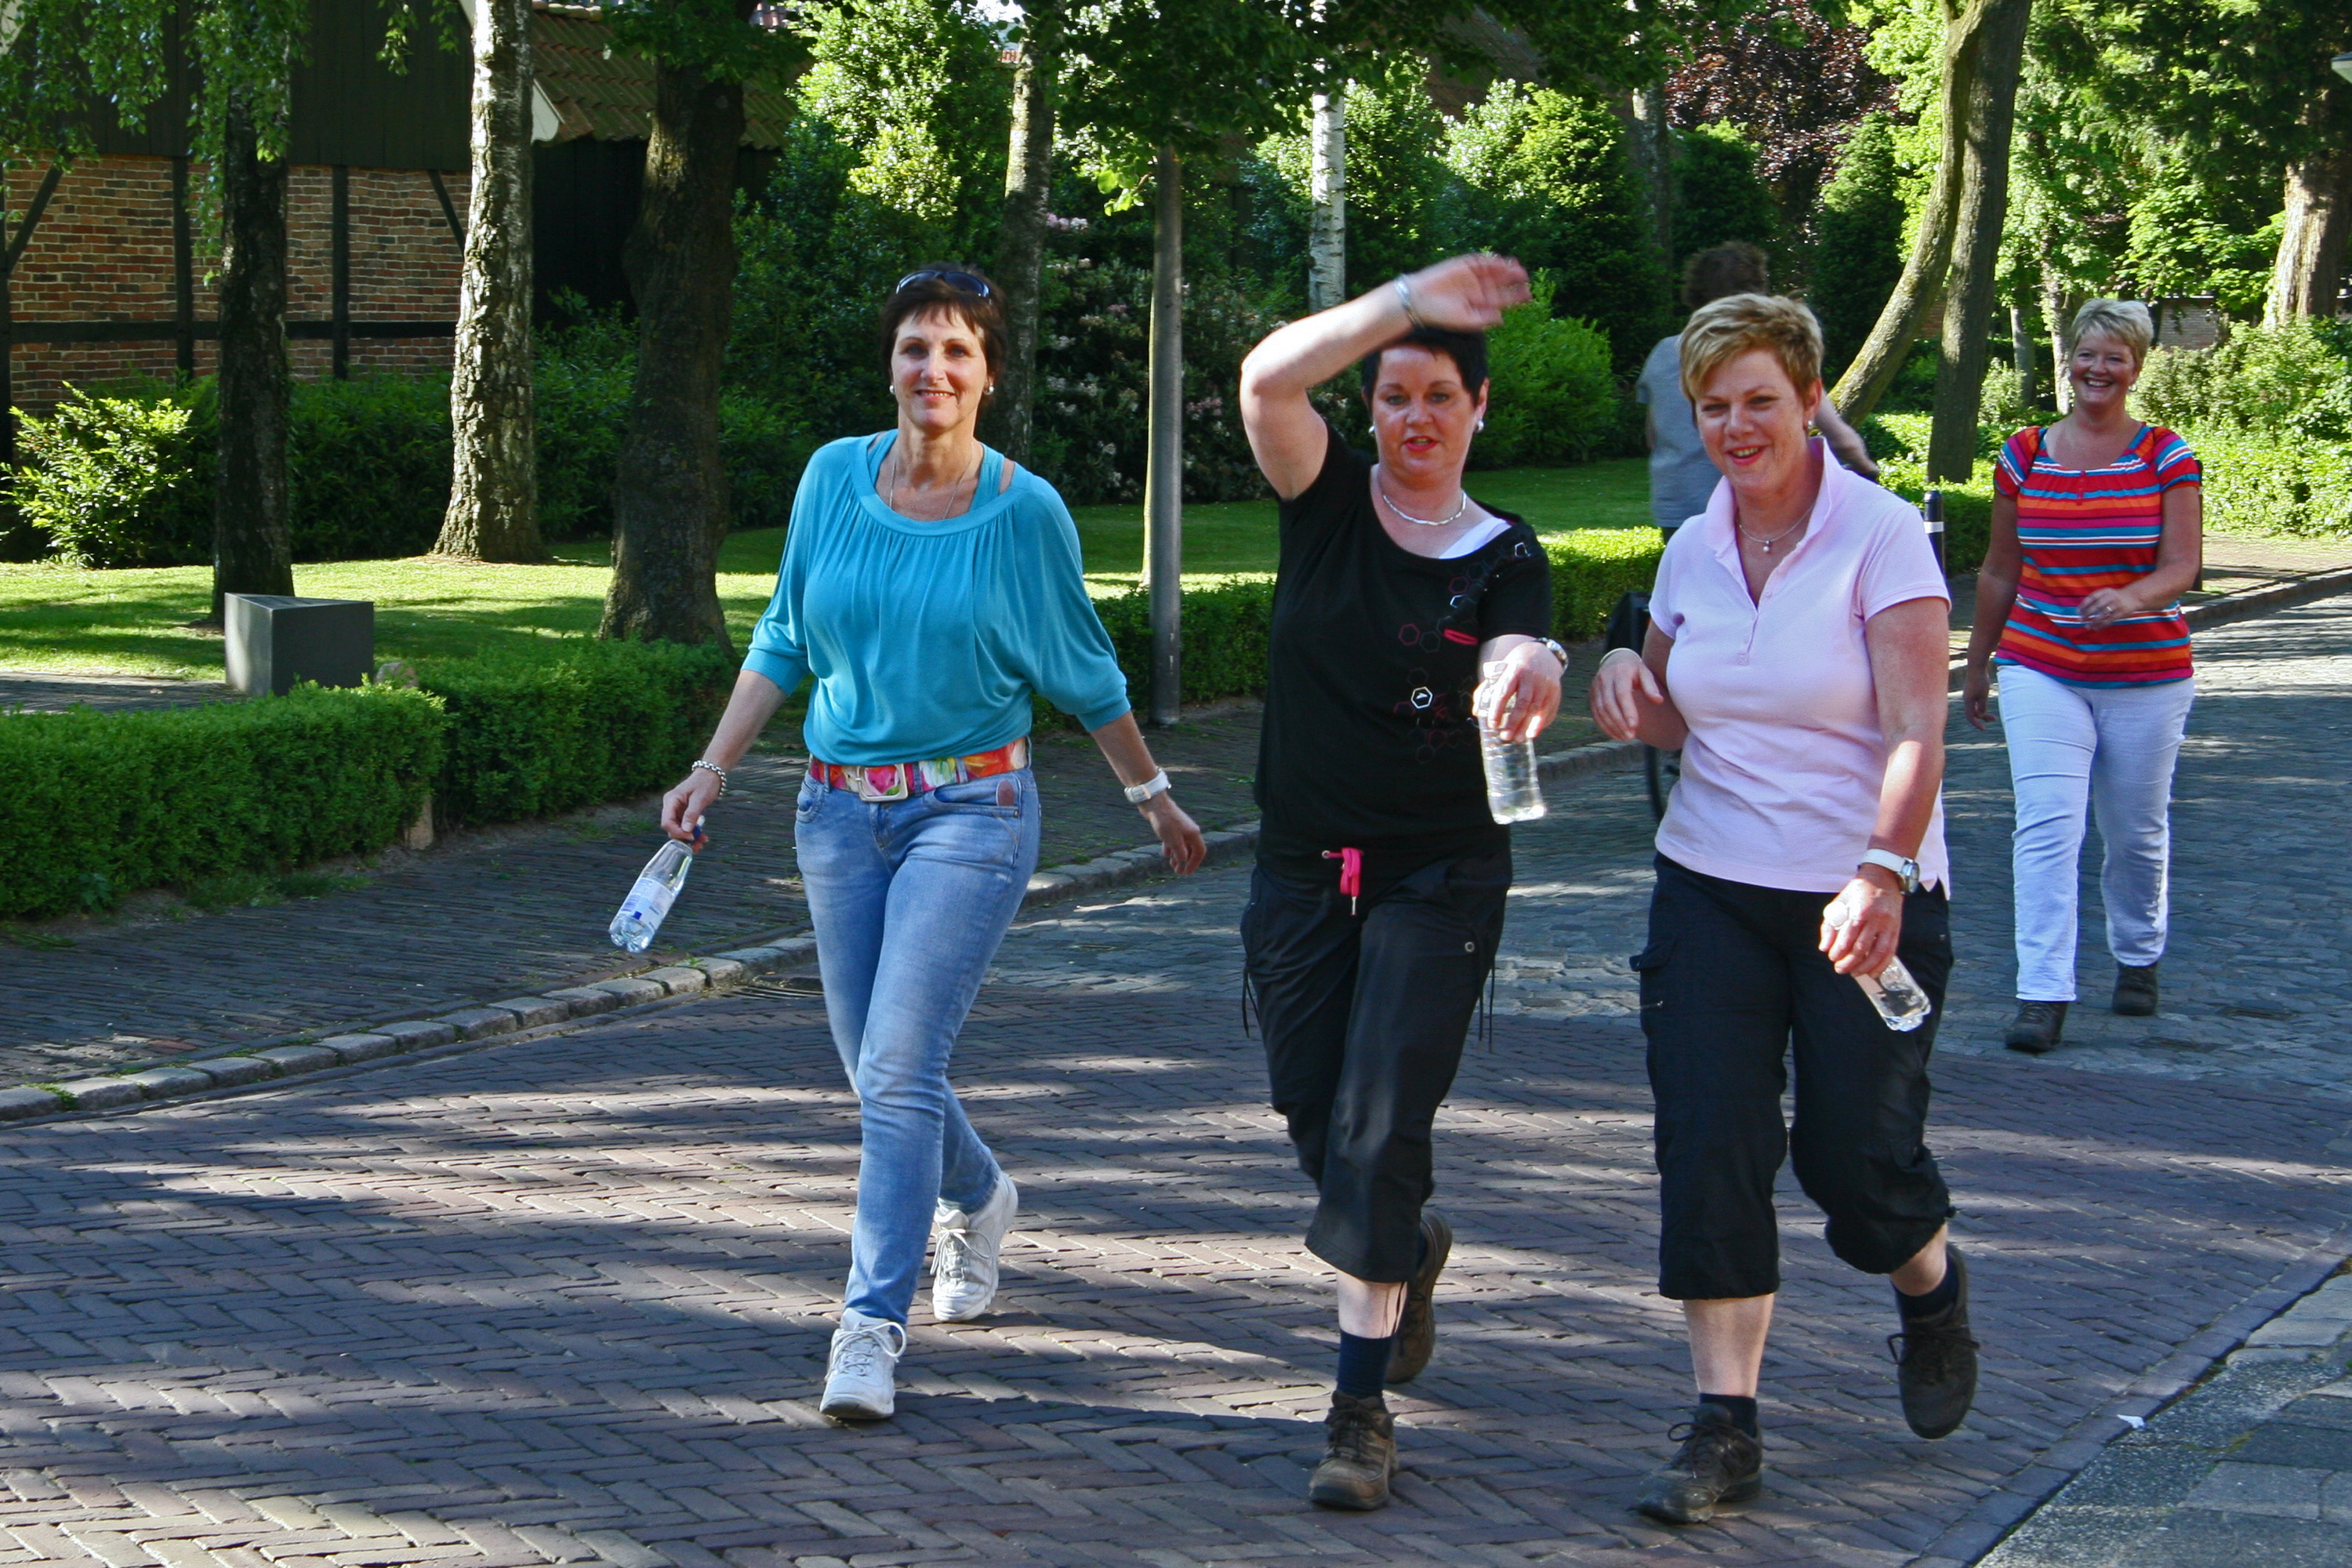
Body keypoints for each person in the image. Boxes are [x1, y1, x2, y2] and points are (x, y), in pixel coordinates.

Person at [659, 263, 1207, 1422]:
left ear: (988, 375)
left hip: (973, 812)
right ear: (891, 365)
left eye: (959, 350)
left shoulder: (1025, 512)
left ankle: (868, 1325)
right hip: (835, 813)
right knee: (876, 1068)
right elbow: (785, 634)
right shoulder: (831, 477)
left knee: (898, 1069)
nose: (935, 369)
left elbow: (1085, 672)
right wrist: (712, 766)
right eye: (916, 347)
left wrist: (1153, 796)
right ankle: (981, 1192)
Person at [1589, 292, 1978, 1526]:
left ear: (1811, 400)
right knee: (1710, 1142)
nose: (1737, 427)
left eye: (1760, 400)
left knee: (1854, 1161)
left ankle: (1930, 1288)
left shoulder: (1882, 536)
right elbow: (1673, 712)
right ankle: (1725, 1426)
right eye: (1714, 407)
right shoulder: (1694, 545)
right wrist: (1620, 673)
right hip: (1712, 884)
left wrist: (1880, 870)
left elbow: (1917, 733)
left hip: (1865, 894)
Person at [1236, 253, 1565, 1512]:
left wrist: (1527, 668)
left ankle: (1357, 1411)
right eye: (1394, 396)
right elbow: (1267, 379)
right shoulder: (1322, 499)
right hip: (1303, 869)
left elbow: (1524, 638)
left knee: (1378, 1131)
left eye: (1439, 396)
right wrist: (1405, 304)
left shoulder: (1506, 550)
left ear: (1480, 409)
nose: (1416, 417)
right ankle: (1408, 1247)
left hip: (1441, 873)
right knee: (1315, 1119)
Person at [1962, 299, 2202, 1054]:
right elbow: (2000, 569)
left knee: (2134, 832)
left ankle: (2138, 952)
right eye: (2087, 355)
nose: (2099, 369)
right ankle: (2043, 991)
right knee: (2046, 824)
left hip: (2146, 673)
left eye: (2115, 358)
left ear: (2135, 368)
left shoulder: (2166, 455)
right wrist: (1978, 663)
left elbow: (2183, 566)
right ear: (2069, 361)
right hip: (2041, 664)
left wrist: (2133, 597)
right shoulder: (2024, 455)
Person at [1636, 243, 1878, 539]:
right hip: (1748, 505)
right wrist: (1866, 468)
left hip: (1676, 504)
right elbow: (1842, 439)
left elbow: (1653, 436)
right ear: (1754, 293)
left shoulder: (1663, 353)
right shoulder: (1767, 355)